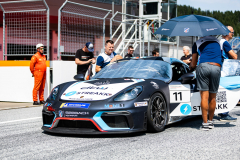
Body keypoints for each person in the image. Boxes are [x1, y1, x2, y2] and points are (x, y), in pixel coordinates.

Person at [190, 35, 222, 131]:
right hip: (216, 66)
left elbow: (194, 63)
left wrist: (191, 67)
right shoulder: (218, 42)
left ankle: (205, 124)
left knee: (204, 96)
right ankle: (211, 121)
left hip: (203, 66)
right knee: (213, 97)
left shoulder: (197, 42)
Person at [218, 26, 238, 121]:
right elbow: (234, 56)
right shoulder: (225, 42)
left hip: (219, 68)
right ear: (227, 32)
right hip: (224, 69)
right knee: (225, 91)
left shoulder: (219, 41)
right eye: (232, 32)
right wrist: (235, 54)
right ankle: (224, 114)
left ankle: (221, 111)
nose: (233, 34)